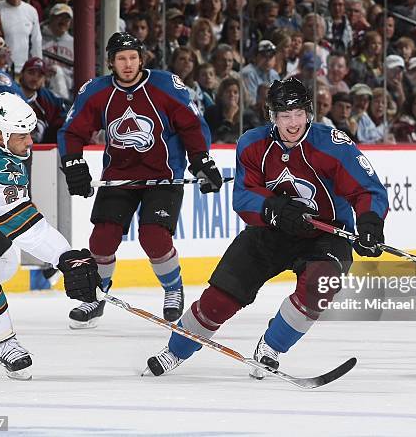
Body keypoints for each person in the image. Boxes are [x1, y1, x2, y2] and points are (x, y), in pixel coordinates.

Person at [145, 77, 388, 377]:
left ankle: (271, 347)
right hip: (270, 232)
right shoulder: (252, 144)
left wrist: (369, 223)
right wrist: (274, 208)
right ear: (272, 116)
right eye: (285, 115)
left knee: (319, 286)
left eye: (299, 113)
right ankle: (175, 350)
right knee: (219, 300)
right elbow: (243, 196)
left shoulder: (334, 145)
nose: (293, 122)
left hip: (326, 235)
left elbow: (367, 190)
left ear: (309, 112)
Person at [58, 32, 223, 328]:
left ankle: (173, 289)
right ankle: (97, 297)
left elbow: (192, 126)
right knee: (102, 238)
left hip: (164, 177)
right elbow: (71, 132)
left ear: (141, 59)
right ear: (111, 62)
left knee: (154, 237)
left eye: (133, 57)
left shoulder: (165, 85)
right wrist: (73, 162)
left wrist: (201, 160)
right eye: (121, 59)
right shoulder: (96, 92)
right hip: (120, 177)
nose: (128, 64)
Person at [0, 83, 101, 380]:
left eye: (30, 132)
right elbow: (29, 230)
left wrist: (67, 257)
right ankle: (5, 341)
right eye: (22, 136)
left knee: (4, 261)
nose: (30, 141)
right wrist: (64, 256)